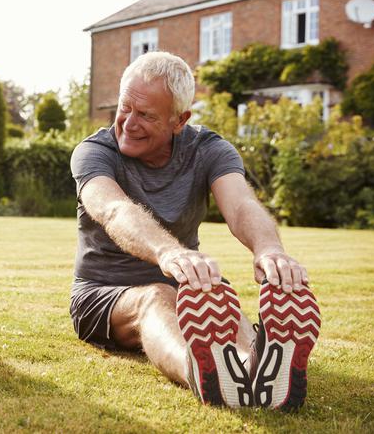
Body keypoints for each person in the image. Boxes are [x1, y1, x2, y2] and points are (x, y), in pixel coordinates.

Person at [69, 51, 321, 410]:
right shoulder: (94, 151)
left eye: (146, 115)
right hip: (102, 296)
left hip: (188, 287)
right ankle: (203, 373)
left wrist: (268, 249)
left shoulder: (209, 150)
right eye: (125, 108)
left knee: (215, 293)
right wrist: (168, 252)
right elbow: (114, 210)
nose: (128, 123)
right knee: (156, 295)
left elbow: (240, 205)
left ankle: (257, 368)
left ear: (179, 120)